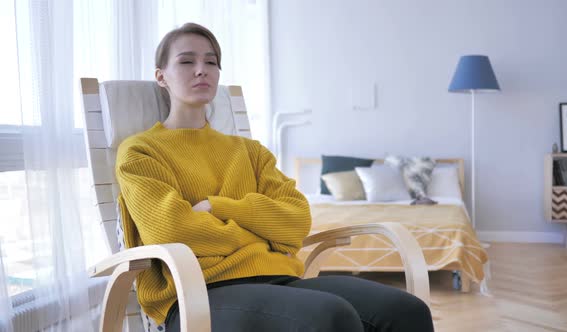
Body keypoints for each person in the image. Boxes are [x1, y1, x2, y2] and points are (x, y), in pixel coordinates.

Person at [115, 22, 434, 332]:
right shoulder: (141, 151)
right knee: (330, 317)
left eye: (211, 62)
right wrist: (261, 234)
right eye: (187, 61)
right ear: (161, 77)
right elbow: (172, 231)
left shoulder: (250, 152)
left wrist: (218, 207)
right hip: (197, 294)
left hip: (280, 279)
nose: (202, 69)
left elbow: (296, 221)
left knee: (406, 311)